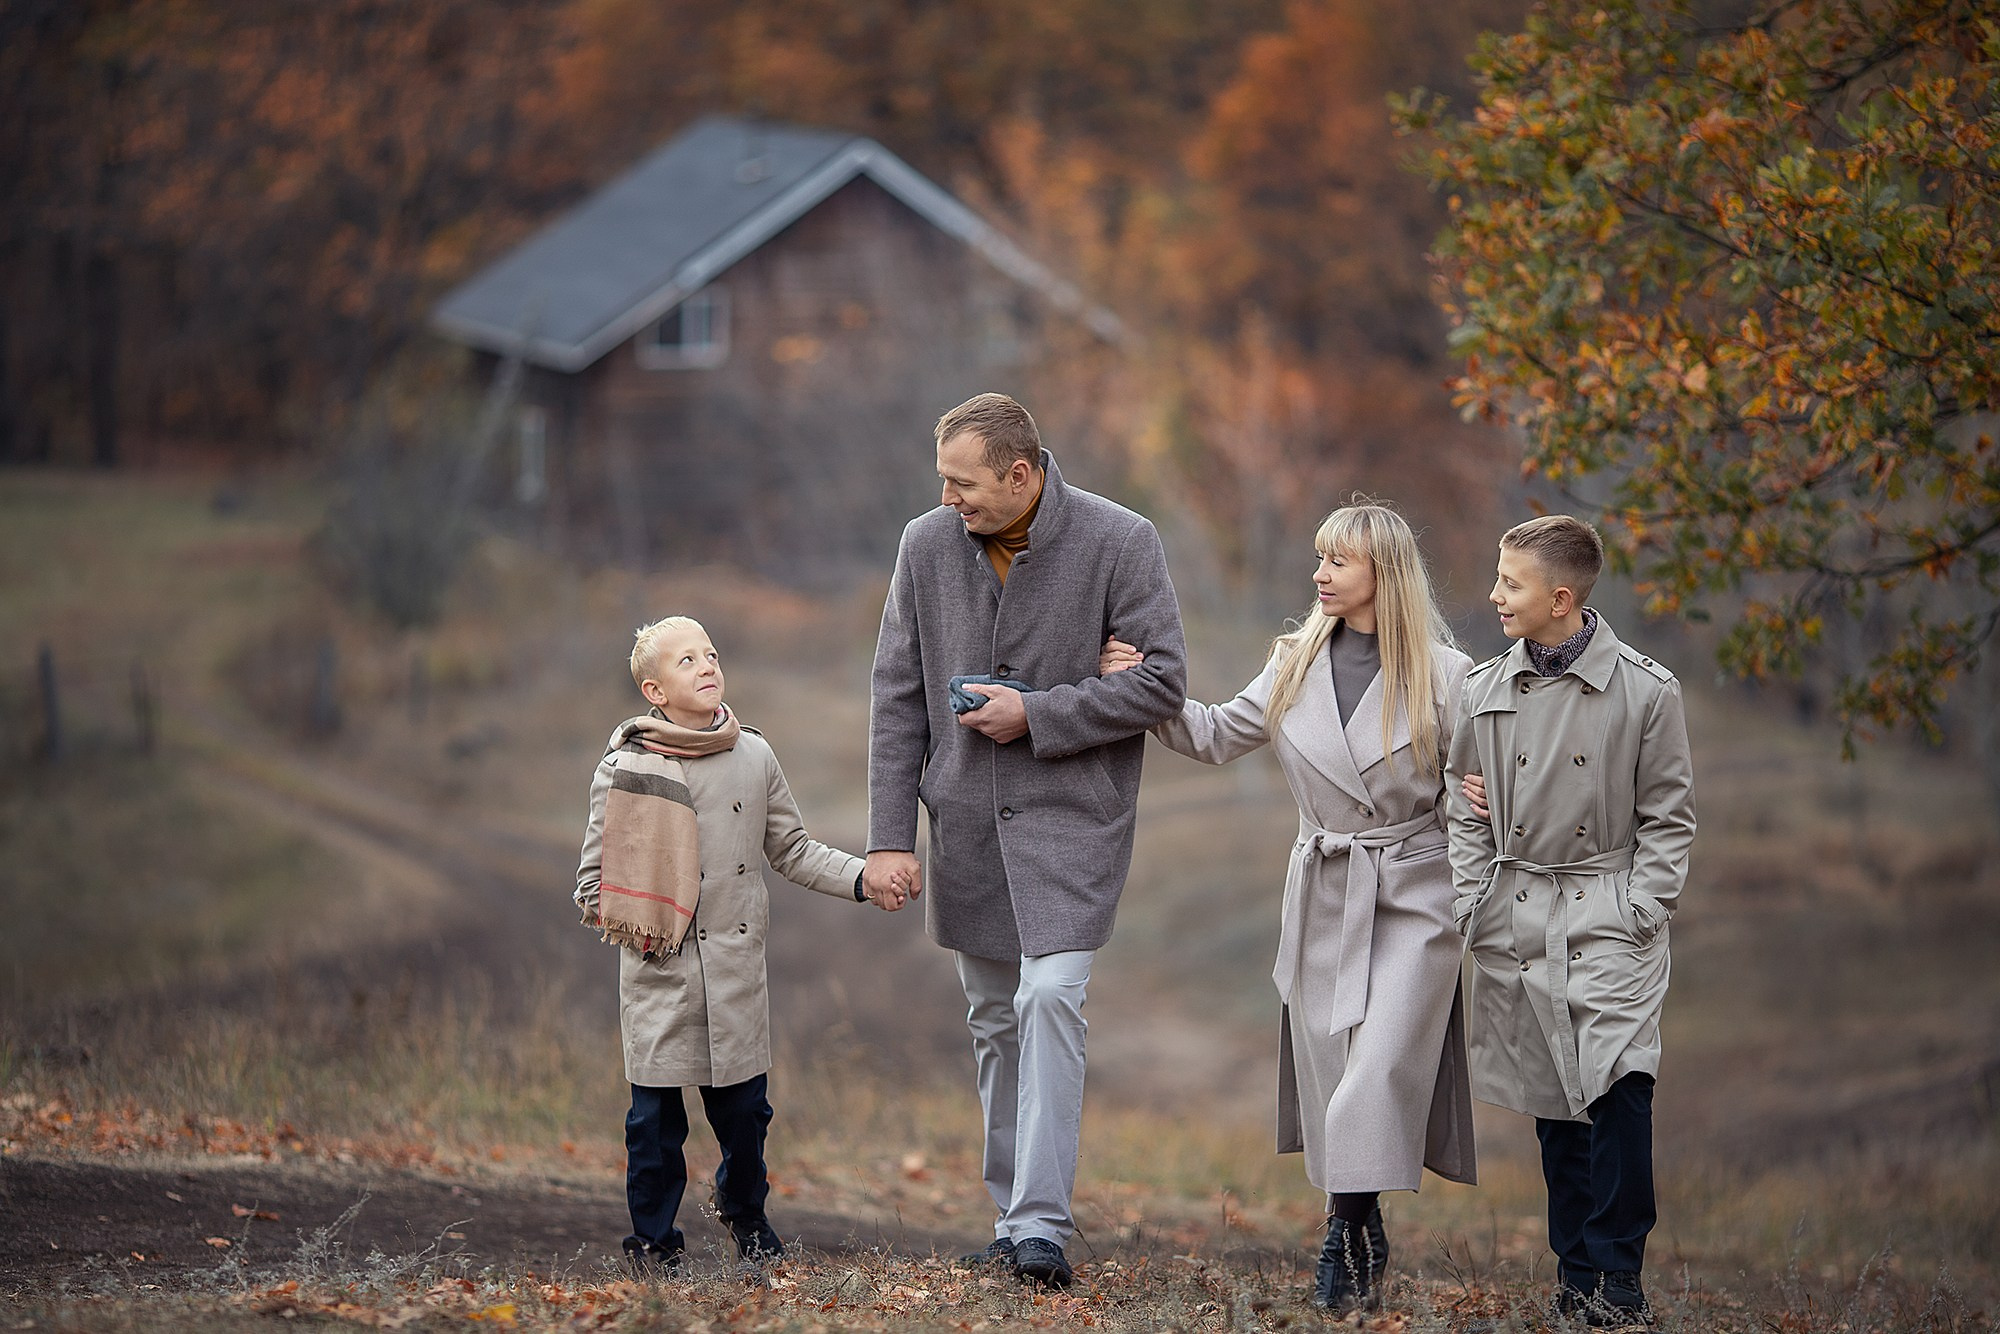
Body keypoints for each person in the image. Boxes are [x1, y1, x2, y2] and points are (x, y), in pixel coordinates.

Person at [1102, 499, 1477, 1314]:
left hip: (1416, 898)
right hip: (1324, 892)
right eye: (1319, 559)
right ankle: (1365, 1219)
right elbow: (1208, 734)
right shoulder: (1293, 660)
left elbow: (1484, 791)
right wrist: (1138, 688)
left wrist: (1481, 799)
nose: (1319, 575)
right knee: (1339, 1077)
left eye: (1338, 562)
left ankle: (1338, 1243)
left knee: (1374, 1074)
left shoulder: (1452, 679)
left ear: (1384, 573)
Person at [864, 393, 1187, 1289]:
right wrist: (891, 836)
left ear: (1021, 473)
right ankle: (1011, 1220)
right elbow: (896, 696)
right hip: (964, 821)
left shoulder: (1124, 540)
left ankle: (1041, 1226)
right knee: (991, 1020)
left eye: (963, 483)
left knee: (1050, 997)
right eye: (942, 480)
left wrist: (1037, 713)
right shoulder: (924, 545)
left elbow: (1163, 683)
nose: (947, 498)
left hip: (1074, 822)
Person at [574, 616, 898, 1272]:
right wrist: (641, 916)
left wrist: (863, 877)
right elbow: (592, 880)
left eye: (711, 653)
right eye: (686, 659)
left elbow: (793, 849)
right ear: (653, 690)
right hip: (659, 971)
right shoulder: (626, 768)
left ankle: (745, 1213)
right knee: (654, 1130)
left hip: (734, 970)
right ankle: (655, 1244)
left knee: (747, 1119)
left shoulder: (754, 756)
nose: (706, 665)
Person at [1445, 515, 1696, 1328]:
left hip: (1607, 911)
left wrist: (1641, 907)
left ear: (1561, 598)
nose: (1494, 595)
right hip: (1516, 912)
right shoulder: (1481, 690)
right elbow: (1462, 805)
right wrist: (1473, 900)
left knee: (1621, 1086)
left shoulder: (1647, 691)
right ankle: (1576, 1274)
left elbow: (1670, 817)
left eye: (1510, 583)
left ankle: (1620, 1276)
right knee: (1555, 1105)